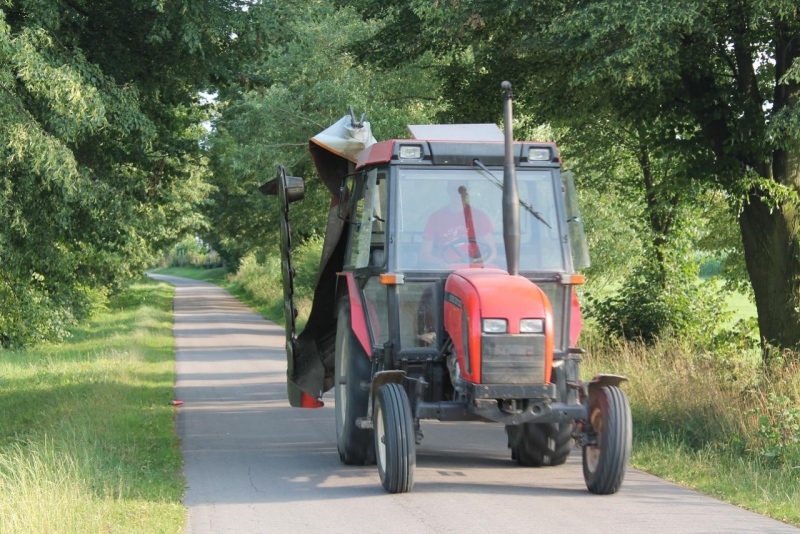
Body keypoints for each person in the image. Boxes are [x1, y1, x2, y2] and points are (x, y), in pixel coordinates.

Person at [419, 181, 498, 267]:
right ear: (448, 190)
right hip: (444, 271)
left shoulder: (479, 217)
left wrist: (478, 266)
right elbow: (424, 254)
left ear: (467, 190)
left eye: (461, 189)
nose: (458, 193)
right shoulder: (435, 218)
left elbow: (492, 253)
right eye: (453, 188)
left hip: (472, 270)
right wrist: (443, 264)